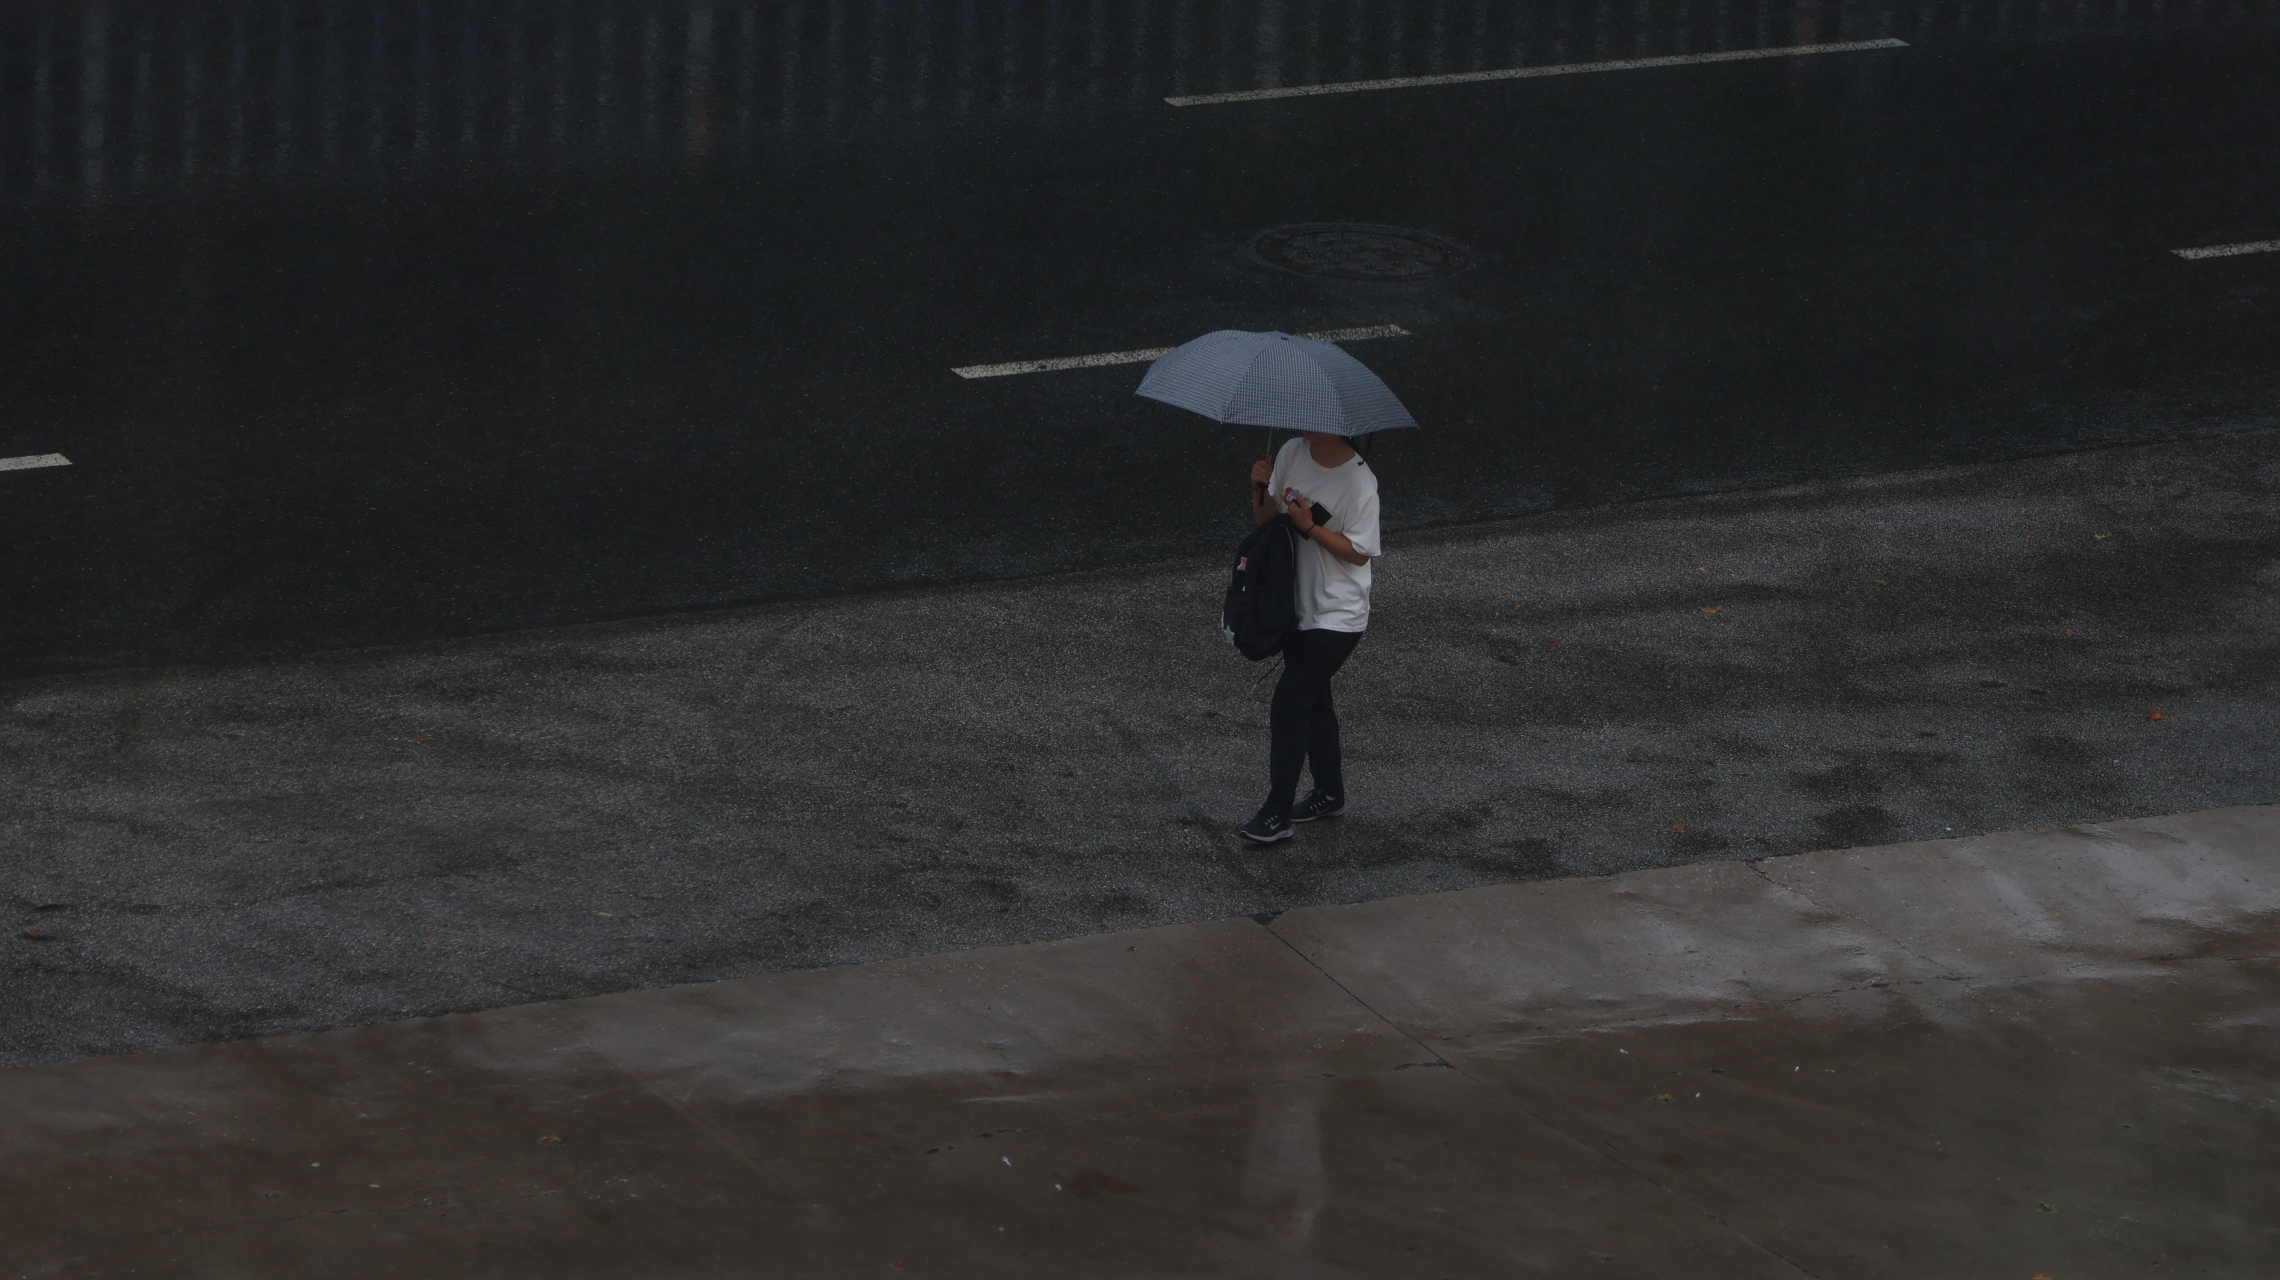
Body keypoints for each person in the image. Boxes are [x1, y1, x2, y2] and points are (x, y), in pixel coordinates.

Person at [1239, 430, 1382, 844]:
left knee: (1290, 703)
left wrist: (1309, 528)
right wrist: (1259, 487)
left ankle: (1276, 814)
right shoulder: (1292, 452)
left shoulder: (1359, 483)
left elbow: (1359, 551)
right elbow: (1267, 519)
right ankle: (1330, 793)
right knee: (1315, 703)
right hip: (1297, 608)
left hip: (1338, 616)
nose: (1300, 420)